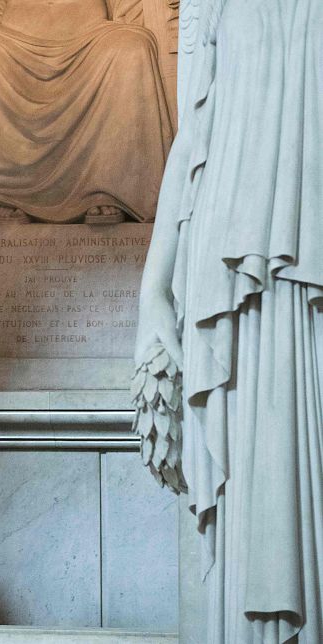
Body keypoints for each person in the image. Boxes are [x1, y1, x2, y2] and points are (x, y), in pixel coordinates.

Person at [134, 0, 322, 641]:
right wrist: (152, 287)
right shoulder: (211, 3)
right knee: (249, 480)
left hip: (314, 249)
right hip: (226, 256)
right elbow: (191, 135)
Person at [0, 0, 173, 224]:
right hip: (9, 38)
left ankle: (107, 190)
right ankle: (8, 194)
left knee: (132, 47)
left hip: (91, 36)